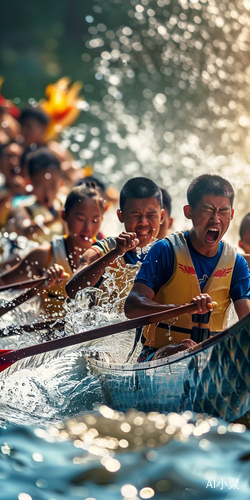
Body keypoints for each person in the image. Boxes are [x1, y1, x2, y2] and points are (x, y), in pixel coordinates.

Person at [125, 174, 250, 362]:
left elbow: (246, 319)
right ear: (188, 211)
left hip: (210, 361)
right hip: (154, 356)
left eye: (223, 211)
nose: (215, 219)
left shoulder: (236, 263)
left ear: (231, 215)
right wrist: (183, 308)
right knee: (186, 349)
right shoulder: (165, 250)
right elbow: (132, 307)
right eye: (208, 210)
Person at [0, 183, 105, 317]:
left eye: (95, 220)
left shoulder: (111, 252)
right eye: (80, 219)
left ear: (102, 219)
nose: (88, 227)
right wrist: (43, 285)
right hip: (49, 333)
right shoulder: (43, 255)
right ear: (64, 216)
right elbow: (2, 284)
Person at [66, 177, 164, 309]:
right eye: (135, 215)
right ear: (120, 216)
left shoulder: (167, 252)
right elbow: (72, 290)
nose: (143, 223)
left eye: (151, 215)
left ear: (162, 217)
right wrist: (116, 252)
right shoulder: (105, 249)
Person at [7, 148, 66, 243]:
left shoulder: (67, 203)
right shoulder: (23, 207)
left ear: (61, 183)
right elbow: (24, 230)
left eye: (52, 185)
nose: (47, 192)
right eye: (40, 185)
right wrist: (53, 220)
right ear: (29, 183)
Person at [19, 106, 82, 184]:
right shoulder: (22, 148)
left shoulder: (54, 151)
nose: (23, 130)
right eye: (22, 126)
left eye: (28, 126)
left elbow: (76, 174)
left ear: (42, 128)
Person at [0, 141, 26, 229]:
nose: (14, 162)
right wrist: (12, 191)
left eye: (18, 157)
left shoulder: (37, 188)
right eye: (9, 156)